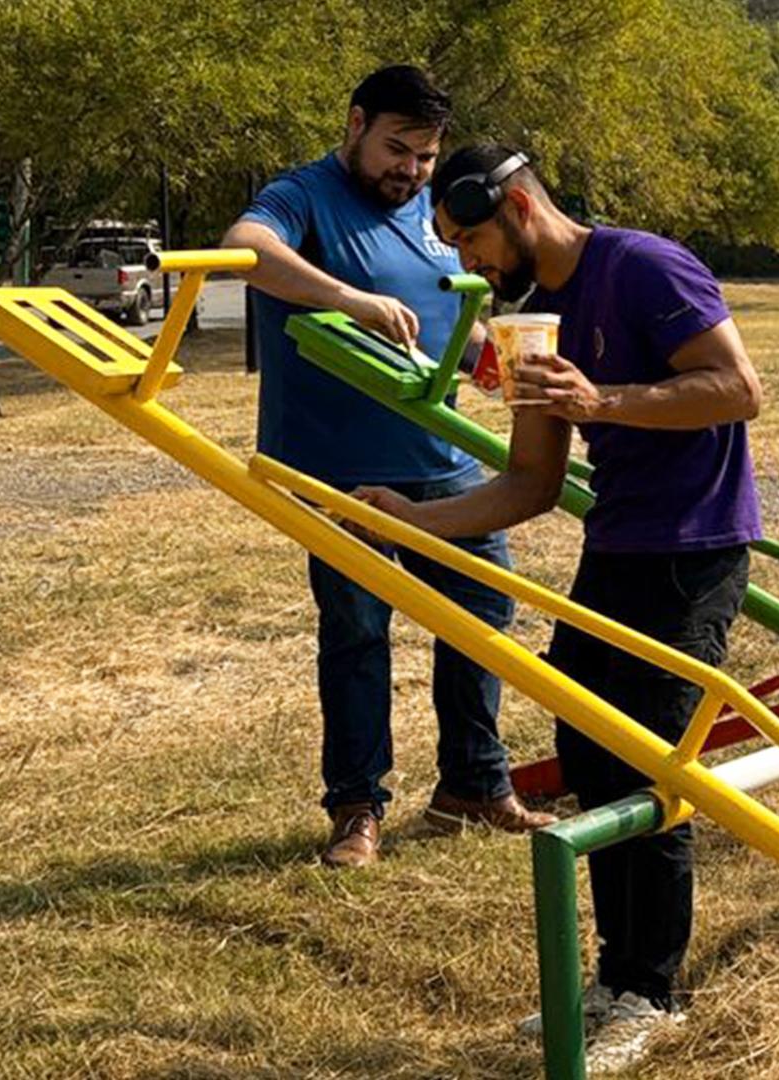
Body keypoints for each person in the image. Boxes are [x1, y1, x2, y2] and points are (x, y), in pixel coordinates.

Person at [354, 143, 763, 1072]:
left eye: (470, 239)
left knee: (649, 766)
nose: (470, 263)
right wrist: (416, 522)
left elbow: (740, 389)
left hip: (695, 551)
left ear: (519, 211)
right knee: (586, 753)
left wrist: (603, 399)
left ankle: (652, 994)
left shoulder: (646, 266)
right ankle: (615, 979)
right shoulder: (528, 315)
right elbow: (532, 482)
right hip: (615, 547)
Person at [220, 67, 551, 870]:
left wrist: (501, 367)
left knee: (483, 615)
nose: (410, 170)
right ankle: (357, 808)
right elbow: (243, 250)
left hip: (442, 461)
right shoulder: (304, 195)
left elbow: (448, 325)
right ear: (356, 123)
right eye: (397, 148)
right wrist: (345, 297)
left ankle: (473, 784)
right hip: (337, 469)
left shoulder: (434, 216)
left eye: (427, 156)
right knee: (359, 633)